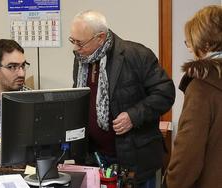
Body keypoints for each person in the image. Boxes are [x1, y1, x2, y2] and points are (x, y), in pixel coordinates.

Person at [69, 10, 175, 187]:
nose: (75, 48)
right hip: (96, 159)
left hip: (134, 162)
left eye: (80, 43)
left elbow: (165, 93)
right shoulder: (82, 59)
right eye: (73, 41)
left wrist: (133, 116)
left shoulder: (136, 55)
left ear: (100, 37)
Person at [165, 5, 222, 188]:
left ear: (206, 44)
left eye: (190, 42)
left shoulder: (202, 87)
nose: (189, 48)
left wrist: (171, 183)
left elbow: (188, 154)